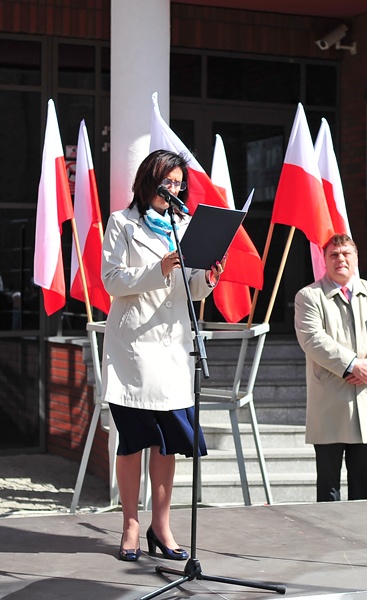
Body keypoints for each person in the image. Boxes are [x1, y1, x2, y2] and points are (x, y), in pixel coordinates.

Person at [101, 149, 225, 561]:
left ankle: (162, 525)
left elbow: (190, 289)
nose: (172, 190)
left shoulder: (184, 224)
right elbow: (112, 281)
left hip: (173, 349)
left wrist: (207, 278)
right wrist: (162, 268)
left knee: (169, 444)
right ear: (148, 180)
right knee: (135, 441)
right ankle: (131, 526)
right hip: (133, 351)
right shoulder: (121, 223)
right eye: (166, 182)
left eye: (178, 184)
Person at [294, 233, 367, 502]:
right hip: (331, 403)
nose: (340, 259)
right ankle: (329, 542)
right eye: (334, 254)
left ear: (355, 258)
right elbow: (312, 339)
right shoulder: (309, 296)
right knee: (329, 487)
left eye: (346, 254)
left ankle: (361, 538)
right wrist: (352, 365)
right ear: (325, 260)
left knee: (363, 486)